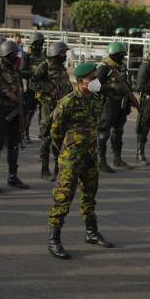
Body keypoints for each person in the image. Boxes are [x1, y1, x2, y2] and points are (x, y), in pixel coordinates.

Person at [47, 62, 113, 260]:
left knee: (90, 195)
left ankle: (91, 233)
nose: (95, 82)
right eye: (92, 79)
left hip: (90, 157)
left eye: (96, 78)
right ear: (81, 82)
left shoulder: (96, 100)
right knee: (63, 197)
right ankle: (54, 240)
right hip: (70, 159)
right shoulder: (67, 102)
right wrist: (65, 154)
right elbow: (55, 132)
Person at [0, 40, 29, 193]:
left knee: (14, 144)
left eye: (16, 54)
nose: (15, 57)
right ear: (4, 55)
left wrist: (23, 109)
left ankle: (13, 176)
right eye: (12, 55)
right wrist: (5, 94)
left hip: (15, 112)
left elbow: (21, 90)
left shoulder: (16, 70)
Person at [29, 41, 72, 181]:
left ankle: (57, 168)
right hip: (48, 108)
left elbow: (67, 87)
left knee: (60, 138)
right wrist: (47, 88)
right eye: (62, 53)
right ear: (54, 54)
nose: (65, 56)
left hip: (62, 109)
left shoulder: (62, 68)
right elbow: (32, 83)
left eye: (65, 53)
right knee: (46, 138)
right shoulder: (44, 66)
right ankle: (44, 168)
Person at [96, 42, 138, 172]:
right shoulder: (103, 68)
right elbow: (94, 87)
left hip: (121, 104)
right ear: (113, 55)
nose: (122, 57)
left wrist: (131, 99)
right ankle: (101, 161)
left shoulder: (122, 67)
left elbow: (127, 84)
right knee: (104, 133)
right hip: (108, 104)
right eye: (120, 55)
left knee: (118, 132)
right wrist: (111, 87)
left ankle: (117, 159)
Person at [21, 32, 47, 145]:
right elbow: (22, 72)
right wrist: (36, 72)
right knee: (29, 113)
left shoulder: (44, 55)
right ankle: (25, 133)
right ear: (32, 44)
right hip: (32, 89)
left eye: (41, 43)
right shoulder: (26, 55)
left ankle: (43, 133)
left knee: (44, 113)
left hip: (44, 89)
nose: (39, 46)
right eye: (37, 43)